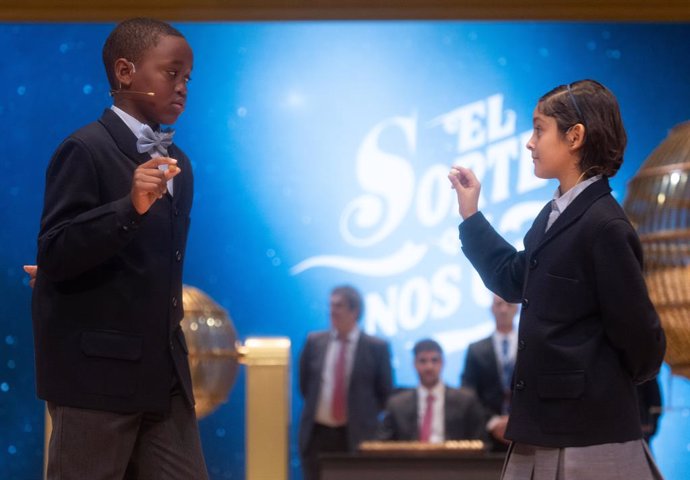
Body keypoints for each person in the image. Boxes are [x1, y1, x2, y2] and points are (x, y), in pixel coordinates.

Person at [448, 79, 666, 479]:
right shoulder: (554, 215)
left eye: (539, 129)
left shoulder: (604, 225)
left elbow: (642, 342)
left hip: (588, 437)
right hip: (541, 430)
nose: (530, 143)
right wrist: (471, 216)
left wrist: (599, 388)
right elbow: (514, 279)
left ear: (575, 137)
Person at [31, 18, 207, 479]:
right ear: (125, 72)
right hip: (95, 382)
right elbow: (56, 250)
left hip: (164, 376)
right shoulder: (85, 149)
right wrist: (129, 207)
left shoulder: (179, 164)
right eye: (171, 73)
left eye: (187, 77)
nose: (182, 87)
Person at [298, 285, 393, 480]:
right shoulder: (314, 342)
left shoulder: (376, 347)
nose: (332, 311)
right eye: (331, 305)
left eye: (338, 306)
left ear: (354, 311)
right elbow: (305, 386)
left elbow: (385, 393)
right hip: (318, 435)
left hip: (357, 437)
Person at [378, 339, 486, 443]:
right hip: (411, 460)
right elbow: (385, 445)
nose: (429, 367)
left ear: (443, 363)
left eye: (434, 360)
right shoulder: (397, 405)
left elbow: (479, 442)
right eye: (423, 361)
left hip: (453, 460)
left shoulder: (465, 401)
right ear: (414, 364)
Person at [462, 294, 519, 451]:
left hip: (524, 431)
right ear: (491, 308)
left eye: (508, 304)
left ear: (517, 308)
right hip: (486, 433)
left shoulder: (530, 346)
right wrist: (493, 422)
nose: (503, 310)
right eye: (498, 304)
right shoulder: (476, 349)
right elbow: (469, 393)